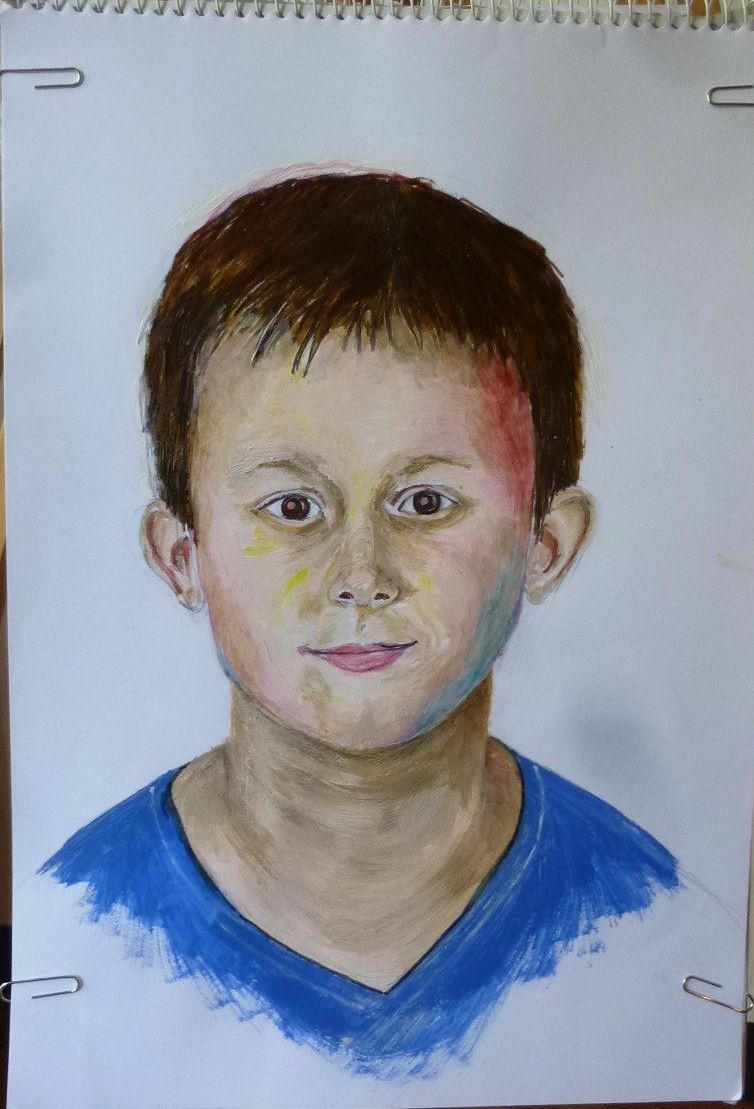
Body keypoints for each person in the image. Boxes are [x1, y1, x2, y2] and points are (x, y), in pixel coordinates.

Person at [41, 170, 679, 1079]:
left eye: (425, 502)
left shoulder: (657, 922)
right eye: (292, 507)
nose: (361, 577)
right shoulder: (69, 929)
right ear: (182, 553)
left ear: (544, 543)